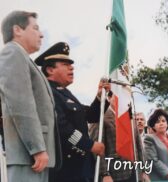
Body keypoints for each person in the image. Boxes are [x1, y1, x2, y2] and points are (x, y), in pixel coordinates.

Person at [0, 11, 62, 182]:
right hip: (27, 155)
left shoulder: (24, 58)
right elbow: (20, 104)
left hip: (33, 156)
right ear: (17, 30)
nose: (41, 34)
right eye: (35, 28)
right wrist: (37, 148)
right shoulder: (13, 53)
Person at [34, 42, 106, 182]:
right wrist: (89, 145)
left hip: (81, 168)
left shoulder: (65, 93)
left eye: (71, 64)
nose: (71, 67)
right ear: (50, 69)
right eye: (65, 64)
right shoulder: (46, 92)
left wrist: (100, 96)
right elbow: (60, 127)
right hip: (65, 170)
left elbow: (91, 116)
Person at [89, 101, 149, 182]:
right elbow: (96, 148)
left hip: (134, 172)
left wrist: (143, 170)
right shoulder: (101, 116)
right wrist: (104, 174)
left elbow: (139, 146)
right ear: (110, 97)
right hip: (114, 174)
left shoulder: (130, 117)